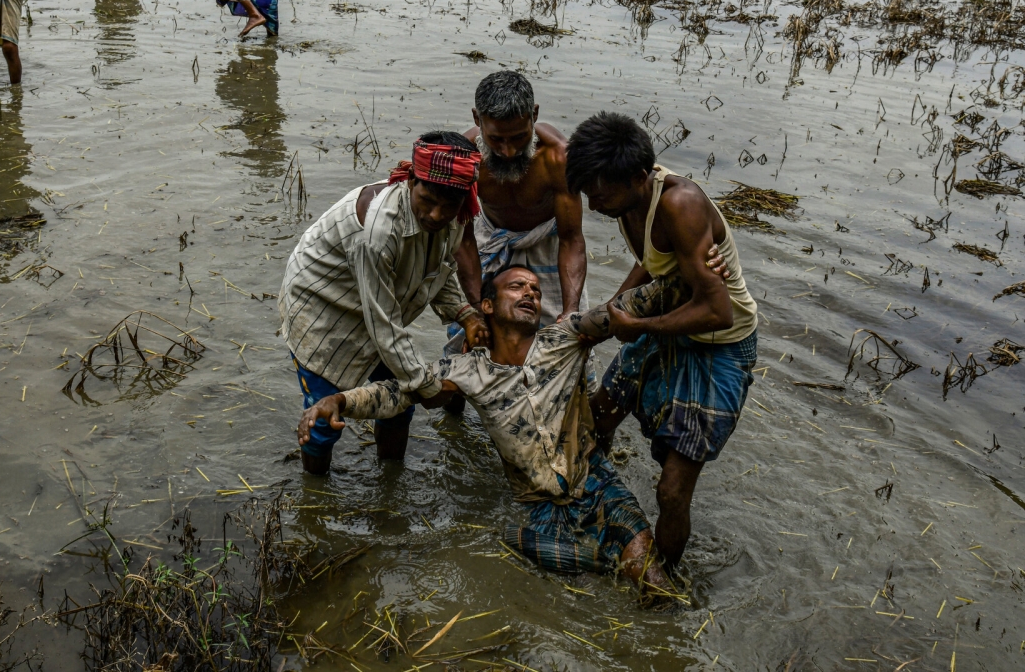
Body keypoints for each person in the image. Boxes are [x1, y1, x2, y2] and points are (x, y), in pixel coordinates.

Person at [299, 266, 695, 593]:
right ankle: (601, 559)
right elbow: (400, 392)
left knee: (650, 579)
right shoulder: (469, 371)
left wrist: (689, 276)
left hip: (597, 482)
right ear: (487, 305)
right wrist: (341, 401)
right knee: (517, 541)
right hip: (536, 505)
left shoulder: (566, 338)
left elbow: (621, 308)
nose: (530, 293)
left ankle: (629, 569)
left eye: (536, 290)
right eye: (517, 286)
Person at [565, 111, 759, 569]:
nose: (594, 207)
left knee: (671, 490)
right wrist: (613, 310)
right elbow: (655, 262)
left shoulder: (680, 204)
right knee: (595, 421)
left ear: (638, 176)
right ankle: (597, 506)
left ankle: (664, 580)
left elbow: (718, 309)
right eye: (588, 194)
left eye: (601, 195)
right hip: (670, 318)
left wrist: (638, 328)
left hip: (720, 344)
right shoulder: (628, 200)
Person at [279, 132, 488, 476]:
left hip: (377, 303)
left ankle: (390, 483)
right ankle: (314, 496)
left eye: (448, 206)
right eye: (428, 200)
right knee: (323, 419)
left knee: (398, 404)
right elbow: (385, 327)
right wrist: (425, 385)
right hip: (324, 306)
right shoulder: (378, 231)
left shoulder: (456, 217)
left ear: (464, 198)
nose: (436, 215)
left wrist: (464, 313)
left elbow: (438, 267)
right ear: (410, 181)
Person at [456, 71, 587, 326]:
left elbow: (571, 239)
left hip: (547, 242)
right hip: (490, 238)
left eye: (519, 137)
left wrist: (570, 309)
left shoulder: (557, 158)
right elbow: (464, 240)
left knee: (561, 332)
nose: (508, 151)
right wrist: (474, 307)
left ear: (534, 115)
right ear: (477, 119)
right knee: (476, 329)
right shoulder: (464, 158)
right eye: (495, 139)